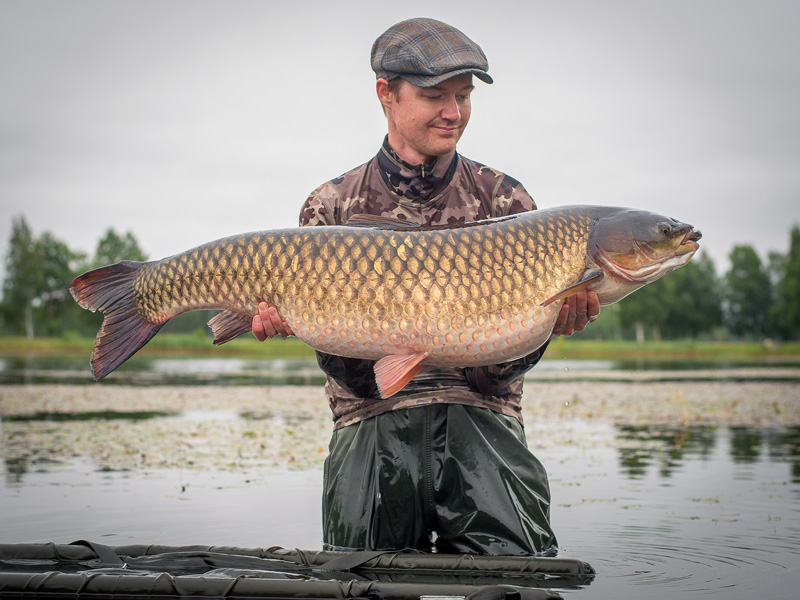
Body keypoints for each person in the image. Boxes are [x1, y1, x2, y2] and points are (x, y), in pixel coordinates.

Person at [252, 18, 600, 555]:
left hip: (483, 422)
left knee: (515, 580)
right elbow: (355, 378)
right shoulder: (332, 205)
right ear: (385, 95)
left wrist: (550, 323)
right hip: (372, 423)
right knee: (359, 581)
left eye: (463, 96)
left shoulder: (506, 201)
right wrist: (294, 322)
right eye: (435, 95)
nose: (454, 112)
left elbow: (495, 377)